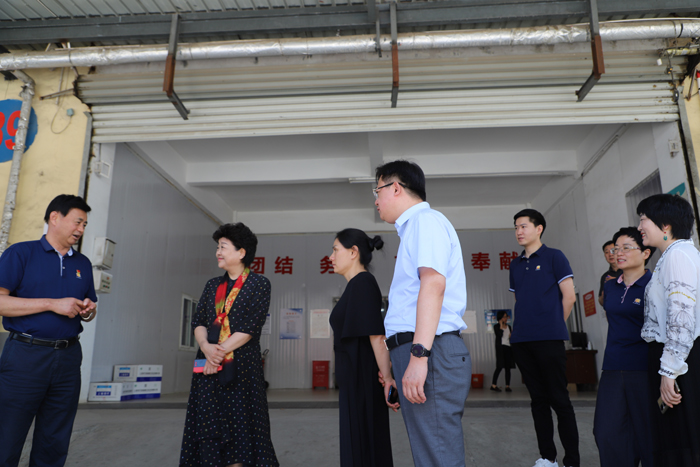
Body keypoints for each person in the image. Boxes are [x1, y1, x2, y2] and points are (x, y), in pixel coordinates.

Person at [373, 160, 471, 467]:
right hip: (424, 350)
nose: (376, 200)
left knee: (437, 455)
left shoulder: (424, 221)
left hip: (430, 351)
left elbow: (433, 284)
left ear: (396, 188)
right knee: (431, 453)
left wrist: (418, 356)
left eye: (377, 191)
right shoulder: (415, 228)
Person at [0, 194, 98, 467]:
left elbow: (90, 310)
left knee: (54, 438)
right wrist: (52, 304)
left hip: (68, 358)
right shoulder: (21, 253)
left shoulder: (82, 264)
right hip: (25, 355)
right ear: (55, 217)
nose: (81, 229)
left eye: (85, 224)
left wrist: (89, 311)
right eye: (77, 222)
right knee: (8, 433)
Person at [180, 223, 278, 467]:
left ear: (241, 252)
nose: (218, 252)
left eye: (223, 247)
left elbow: (249, 328)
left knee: (241, 427)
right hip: (208, 368)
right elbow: (199, 321)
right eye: (217, 247)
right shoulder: (212, 285)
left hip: (241, 369)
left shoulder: (259, 284)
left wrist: (217, 353)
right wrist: (206, 347)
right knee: (209, 425)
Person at [509, 208, 579, 467]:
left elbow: (569, 297)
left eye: (523, 226)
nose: (519, 231)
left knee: (559, 399)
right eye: (516, 227)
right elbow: (520, 299)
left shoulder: (554, 257)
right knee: (538, 401)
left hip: (549, 339)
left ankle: (572, 460)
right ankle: (548, 458)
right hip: (521, 341)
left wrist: (552, 325)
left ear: (539, 229)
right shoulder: (515, 264)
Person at [637, 194, 700, 466]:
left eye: (643, 219)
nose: (639, 226)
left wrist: (669, 371)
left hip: (680, 360)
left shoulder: (678, 256)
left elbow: (681, 317)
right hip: (676, 357)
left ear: (665, 225)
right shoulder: (673, 256)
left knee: (682, 436)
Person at [328, 228, 398, 467]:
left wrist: (387, 378)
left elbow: (376, 336)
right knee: (358, 443)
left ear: (353, 252)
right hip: (354, 380)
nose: (331, 257)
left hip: (362, 380)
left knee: (364, 444)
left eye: (335, 250)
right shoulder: (354, 286)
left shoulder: (363, 283)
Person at [593, 227, 656, 467]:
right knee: (606, 432)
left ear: (645, 253)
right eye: (616, 248)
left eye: (626, 248)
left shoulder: (655, 284)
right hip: (612, 366)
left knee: (648, 433)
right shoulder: (610, 287)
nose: (618, 253)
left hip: (645, 368)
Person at [490, 310, 515, 392]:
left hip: (508, 348)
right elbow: (499, 335)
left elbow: (509, 338)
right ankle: (493, 385)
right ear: (500, 318)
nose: (506, 318)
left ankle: (507, 386)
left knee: (508, 368)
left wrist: (511, 336)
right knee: (499, 367)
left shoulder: (509, 327)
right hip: (501, 348)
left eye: (506, 317)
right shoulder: (496, 326)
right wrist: (501, 324)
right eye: (504, 317)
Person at [598, 240, 622, 306]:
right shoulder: (605, 277)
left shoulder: (627, 269)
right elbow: (601, 302)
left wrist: (616, 282)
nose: (610, 254)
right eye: (606, 252)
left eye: (612, 251)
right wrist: (604, 293)